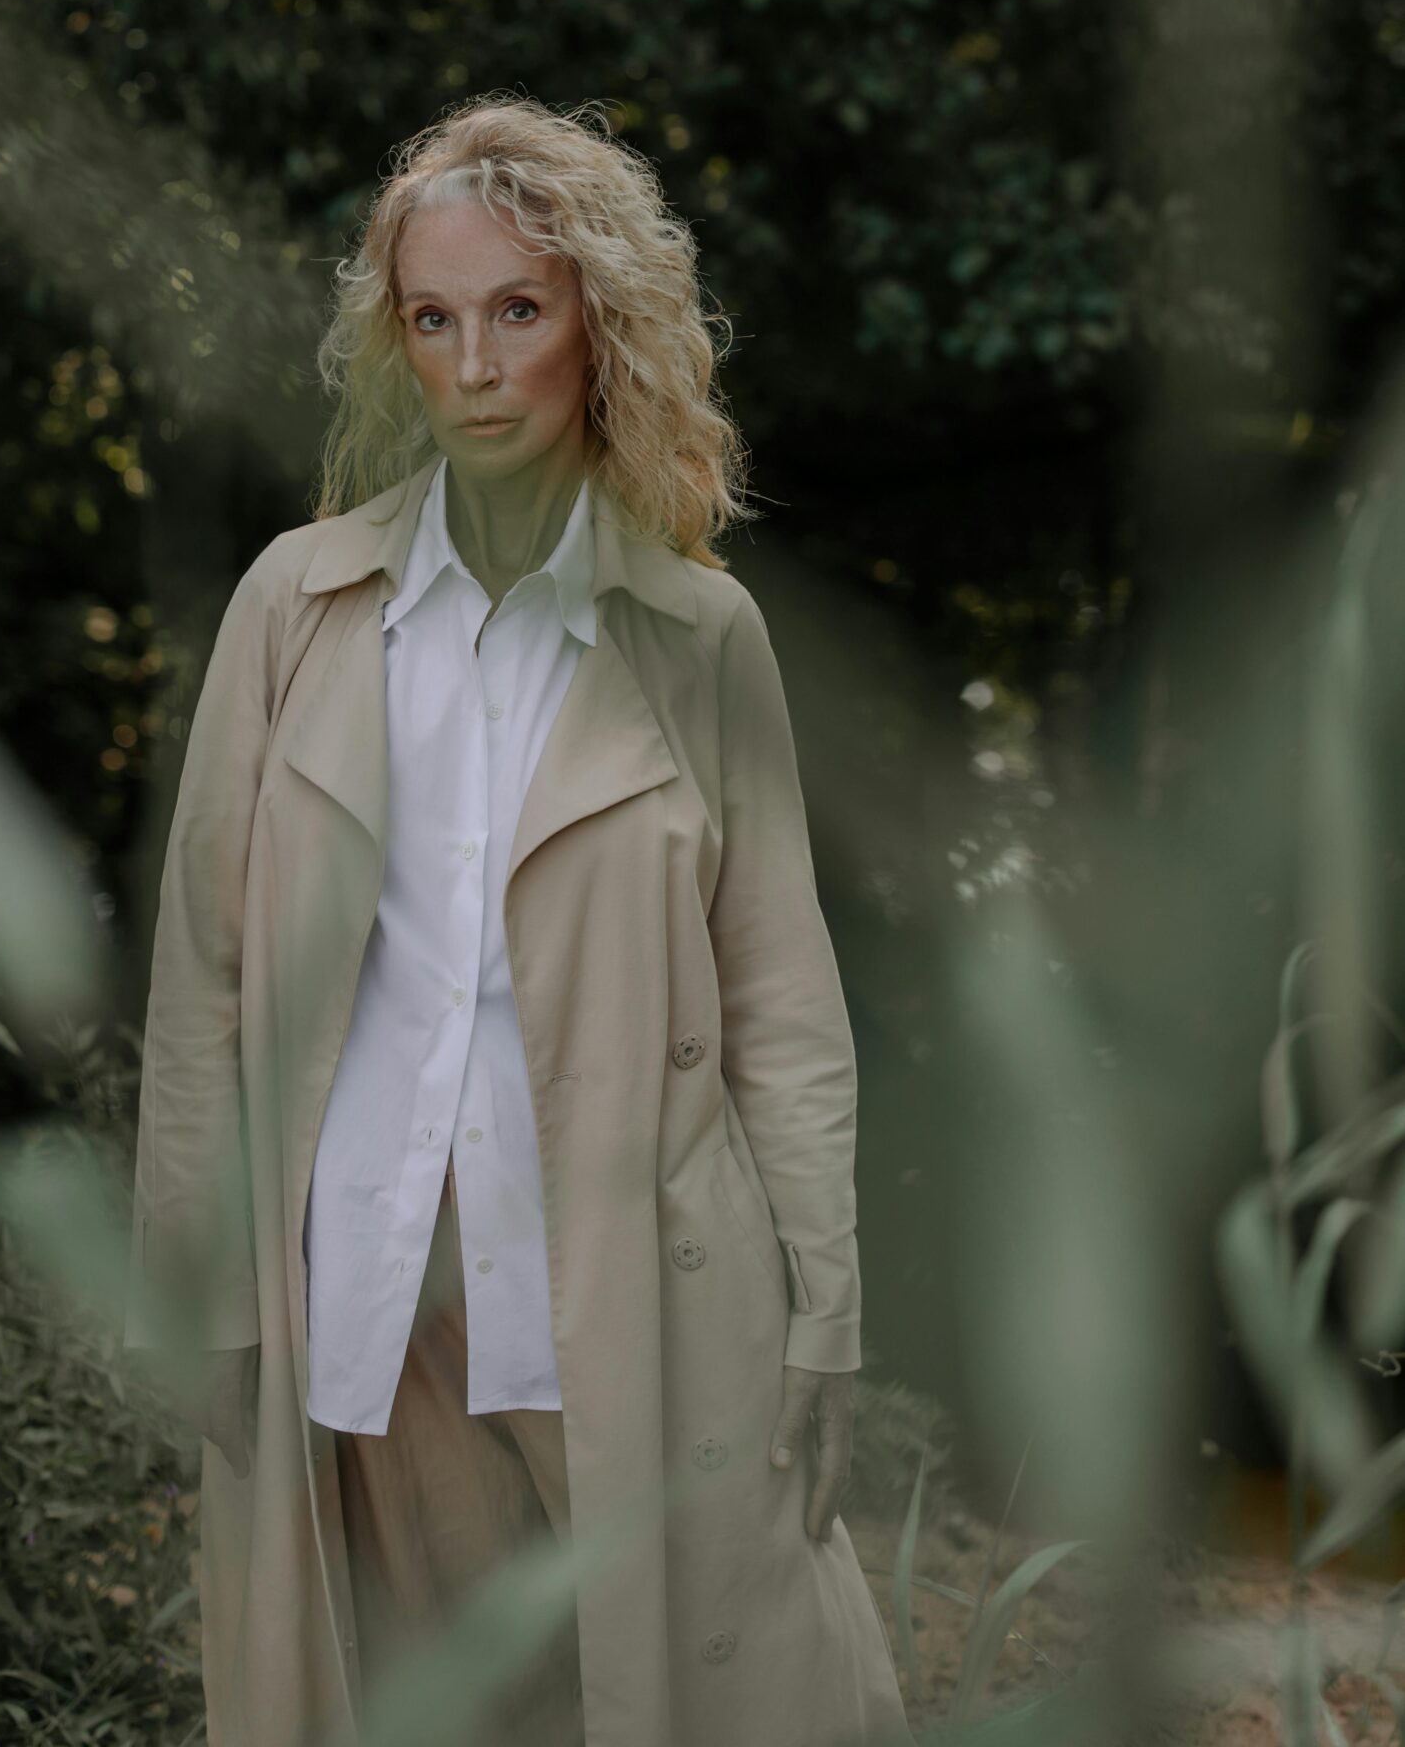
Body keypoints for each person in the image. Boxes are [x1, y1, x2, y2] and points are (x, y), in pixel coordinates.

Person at [123, 95, 914, 1747]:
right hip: (369, 1286)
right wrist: (196, 1284)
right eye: (434, 318)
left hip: (630, 1282)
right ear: (397, 343)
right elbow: (203, 976)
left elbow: (781, 999)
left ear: (597, 330)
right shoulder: (296, 607)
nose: (475, 364)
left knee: (727, 1692)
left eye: (518, 312)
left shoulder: (701, 638)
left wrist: (827, 1313)